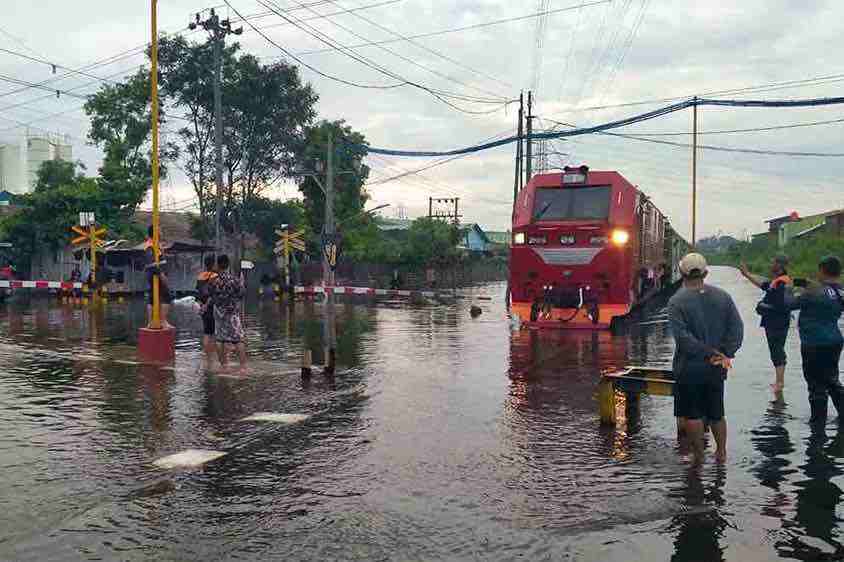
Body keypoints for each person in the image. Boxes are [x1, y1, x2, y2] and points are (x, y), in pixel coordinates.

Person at [669, 253, 744, 465]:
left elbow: (683, 339)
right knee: (716, 412)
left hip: (689, 367)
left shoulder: (676, 301)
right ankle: (721, 454)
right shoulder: (723, 297)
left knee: (692, 414)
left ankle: (699, 457)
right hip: (717, 367)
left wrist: (707, 353)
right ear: (705, 273)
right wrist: (724, 353)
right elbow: (737, 329)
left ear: (682, 273)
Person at [785, 256, 844, 433]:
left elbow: (789, 304)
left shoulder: (812, 292)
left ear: (822, 269)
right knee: (832, 380)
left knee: (816, 384)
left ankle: (817, 426)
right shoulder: (840, 290)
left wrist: (788, 289)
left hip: (814, 343)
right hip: (834, 341)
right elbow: (827, 293)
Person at [740, 256, 793, 395]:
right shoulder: (777, 282)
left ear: (780, 266)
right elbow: (763, 285)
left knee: (777, 350)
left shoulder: (782, 283)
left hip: (777, 322)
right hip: (774, 322)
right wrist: (747, 275)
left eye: (773, 263)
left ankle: (780, 383)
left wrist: (762, 306)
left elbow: (779, 305)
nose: (771, 264)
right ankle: (779, 381)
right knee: (776, 350)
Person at [210, 254, 247, 374]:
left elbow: (211, 295)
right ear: (228, 265)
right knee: (238, 339)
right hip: (231, 313)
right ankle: (243, 367)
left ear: (218, 265)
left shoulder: (214, 281)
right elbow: (241, 294)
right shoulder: (234, 280)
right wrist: (242, 283)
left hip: (219, 312)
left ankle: (223, 365)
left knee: (220, 339)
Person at [144, 226, 174, 330]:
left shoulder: (155, 244)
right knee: (167, 296)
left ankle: (151, 322)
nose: (162, 232)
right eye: (160, 230)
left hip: (155, 274)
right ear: (156, 232)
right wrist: (162, 275)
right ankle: (162, 321)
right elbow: (152, 263)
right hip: (156, 275)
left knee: (152, 298)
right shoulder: (150, 245)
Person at [196, 255, 217, 361]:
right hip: (211, 307)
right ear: (213, 264)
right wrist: (206, 305)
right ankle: (211, 355)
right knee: (213, 332)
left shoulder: (200, 276)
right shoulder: (215, 276)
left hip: (203, 307)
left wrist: (201, 306)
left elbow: (198, 294)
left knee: (206, 331)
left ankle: (205, 354)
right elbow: (213, 294)